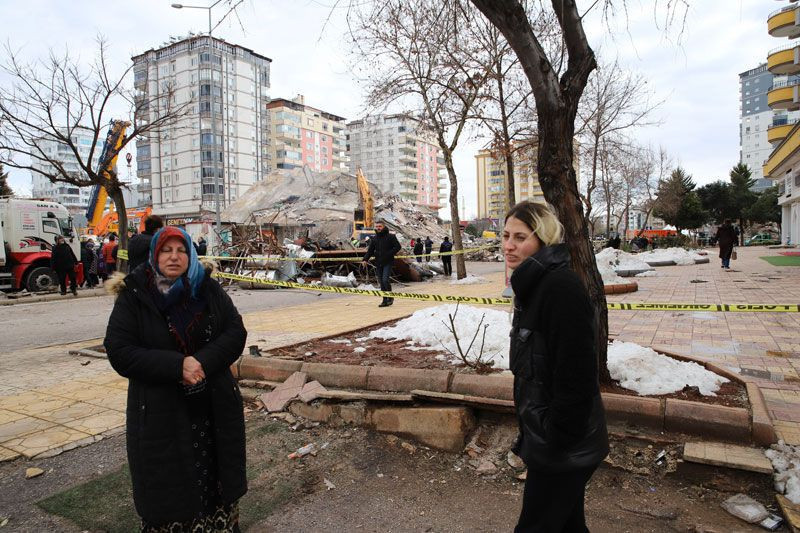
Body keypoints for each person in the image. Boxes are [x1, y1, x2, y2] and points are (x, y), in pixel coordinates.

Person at [104, 226, 247, 531]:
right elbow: (119, 350)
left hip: (214, 409)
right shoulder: (134, 295)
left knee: (217, 488)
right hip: (161, 414)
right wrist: (176, 365)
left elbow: (235, 332)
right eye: (166, 250)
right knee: (170, 496)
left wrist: (200, 362)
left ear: (190, 254)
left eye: (181, 250)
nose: (174, 256)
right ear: (156, 254)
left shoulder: (207, 288)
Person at [503, 201, 609, 532]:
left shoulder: (558, 287)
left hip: (564, 446)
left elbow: (577, 373)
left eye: (520, 237)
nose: (508, 245)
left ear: (543, 239)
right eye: (506, 235)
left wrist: (556, 436)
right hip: (551, 441)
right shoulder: (532, 285)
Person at [361, 221, 401, 307]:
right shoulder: (374, 238)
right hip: (378, 262)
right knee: (381, 282)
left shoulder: (391, 237)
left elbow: (398, 247)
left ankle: (390, 297)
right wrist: (365, 259)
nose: (378, 228)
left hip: (388, 262)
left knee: (385, 280)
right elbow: (370, 251)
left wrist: (389, 253)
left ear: (384, 227)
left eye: (380, 226)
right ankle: (384, 299)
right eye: (377, 226)